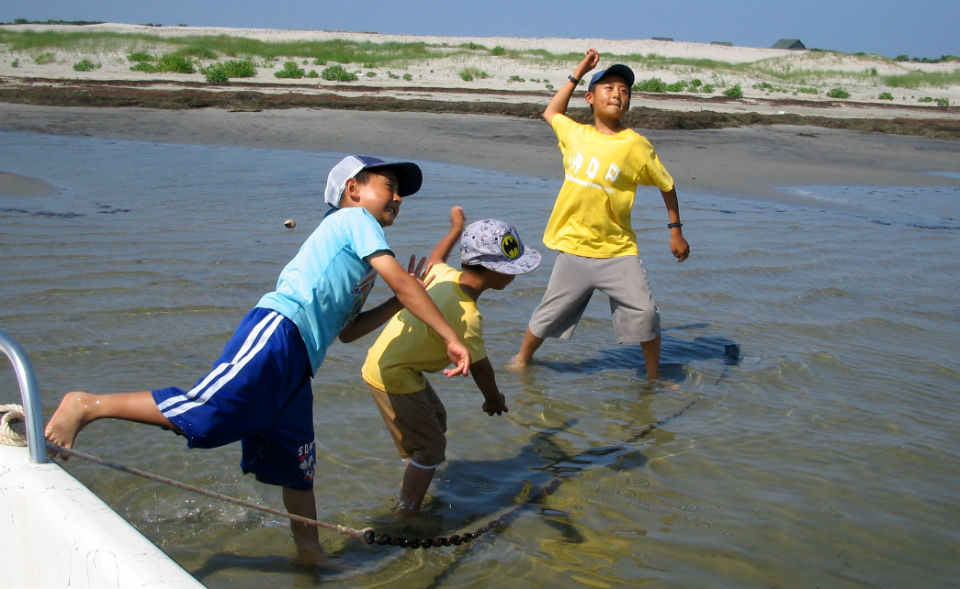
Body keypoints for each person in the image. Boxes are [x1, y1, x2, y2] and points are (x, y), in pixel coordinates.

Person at [44, 154, 472, 565]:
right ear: (353, 190)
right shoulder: (354, 221)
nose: (398, 198)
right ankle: (87, 405)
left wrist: (398, 302)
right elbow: (399, 281)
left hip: (299, 362)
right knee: (209, 416)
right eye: (389, 187)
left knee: (297, 464)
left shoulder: (356, 249)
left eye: (400, 193)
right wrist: (448, 334)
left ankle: (310, 553)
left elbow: (348, 331)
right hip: (278, 333)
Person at [508, 48, 690, 380]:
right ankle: (522, 358)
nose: (618, 95)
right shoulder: (575, 134)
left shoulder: (635, 145)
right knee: (547, 315)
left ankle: (652, 376)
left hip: (618, 253)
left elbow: (667, 183)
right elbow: (551, 111)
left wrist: (675, 229)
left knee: (646, 313)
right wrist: (578, 71)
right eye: (609, 88)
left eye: (625, 91)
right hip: (575, 250)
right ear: (590, 98)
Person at [361, 207, 541, 516]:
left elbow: (435, 256)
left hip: (391, 364)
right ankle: (407, 511)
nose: (514, 275)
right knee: (432, 448)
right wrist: (493, 399)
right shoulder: (468, 316)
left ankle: (417, 468)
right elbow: (481, 368)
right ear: (495, 272)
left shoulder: (441, 275)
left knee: (436, 420)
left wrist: (455, 229)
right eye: (512, 269)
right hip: (393, 374)